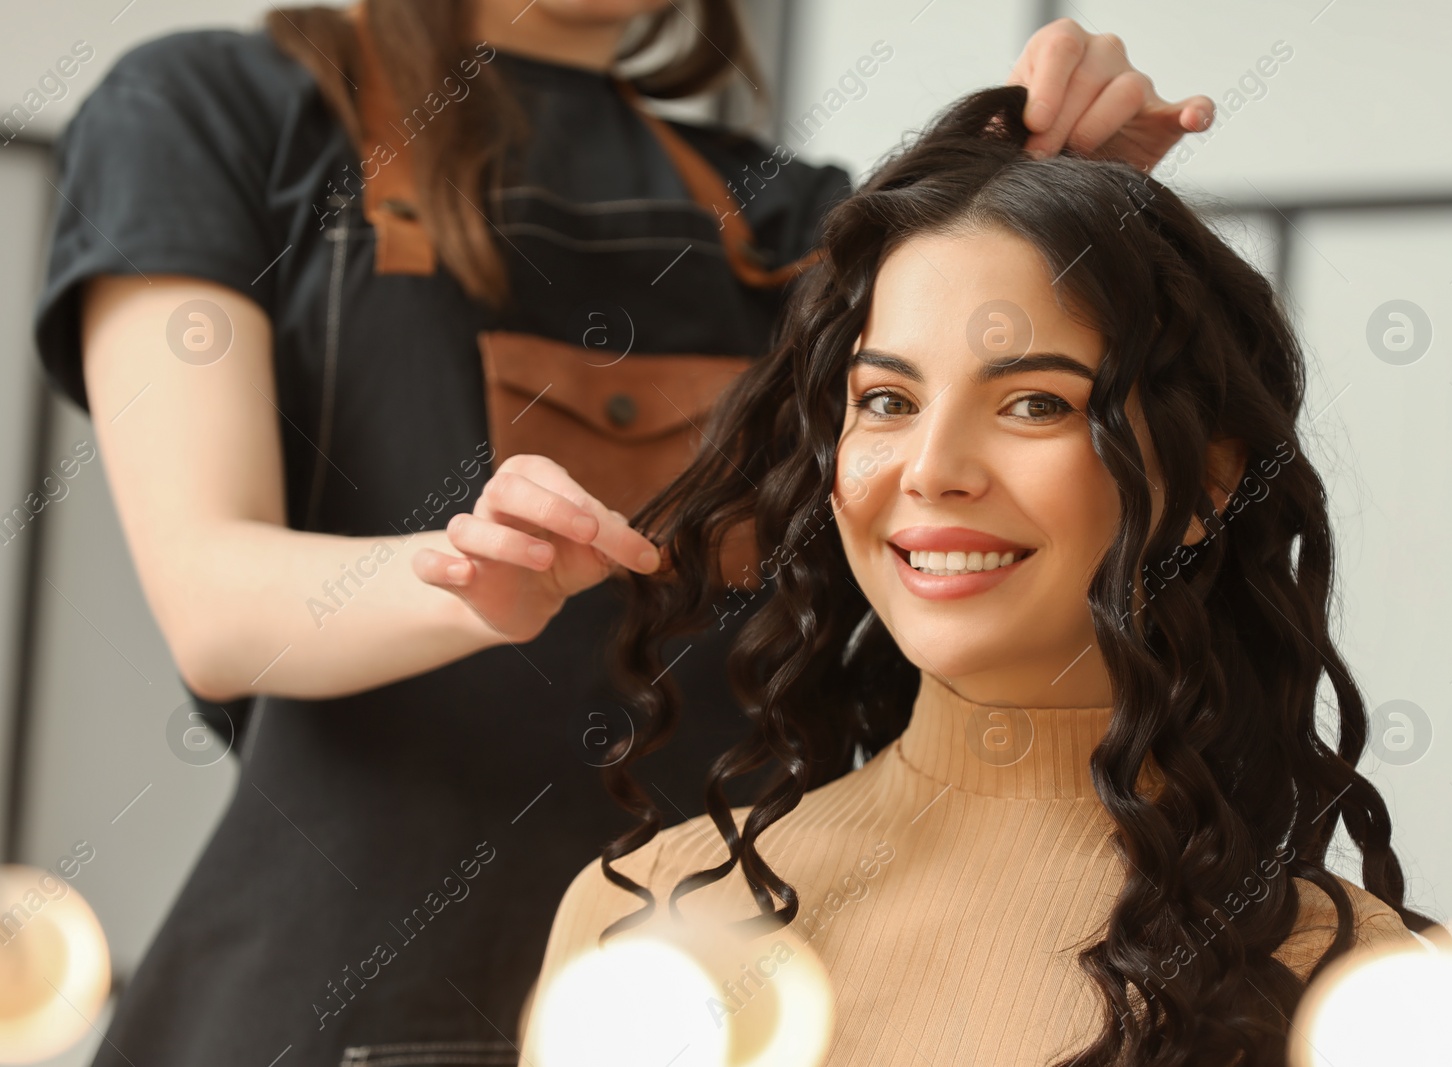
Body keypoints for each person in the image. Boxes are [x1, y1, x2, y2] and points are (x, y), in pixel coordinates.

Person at [31, 0, 1215, 1064]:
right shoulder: (213, 111)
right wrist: (465, 580)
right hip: (339, 992)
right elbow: (212, 604)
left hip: (717, 999)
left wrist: (1067, 207)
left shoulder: (791, 213)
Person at [526, 85, 1435, 1066]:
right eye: (884, 398)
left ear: (1206, 478)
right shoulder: (649, 918)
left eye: (1035, 402)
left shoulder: (1341, 984)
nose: (931, 467)